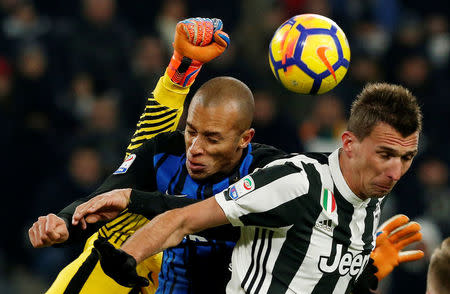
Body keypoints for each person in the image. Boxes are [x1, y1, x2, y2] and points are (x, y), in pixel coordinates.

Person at [89, 82, 425, 293]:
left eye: (406, 157)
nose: (396, 171)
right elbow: (184, 219)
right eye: (385, 155)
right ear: (349, 143)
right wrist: (129, 255)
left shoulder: (369, 203)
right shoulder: (298, 181)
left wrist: (362, 275)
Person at [28, 18, 238, 294]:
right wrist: (65, 223)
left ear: (243, 140)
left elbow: (212, 212)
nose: (196, 146)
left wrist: (134, 199)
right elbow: (110, 190)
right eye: (190, 131)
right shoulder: (165, 151)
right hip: (108, 267)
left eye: (212, 138)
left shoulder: (258, 174)